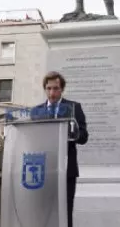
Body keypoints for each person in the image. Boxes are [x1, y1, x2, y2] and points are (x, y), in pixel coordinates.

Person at [30, 71, 89, 227]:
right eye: (48, 88)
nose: (52, 93)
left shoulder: (74, 108)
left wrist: (72, 132)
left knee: (65, 212)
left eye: (55, 88)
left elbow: (84, 137)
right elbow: (32, 139)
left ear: (62, 89)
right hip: (43, 170)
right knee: (43, 211)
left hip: (66, 170)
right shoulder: (36, 111)